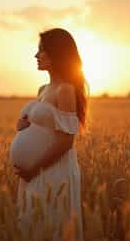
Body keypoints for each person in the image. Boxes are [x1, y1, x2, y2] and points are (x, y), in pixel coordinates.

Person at [14, 28, 89, 241]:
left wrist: (34, 169)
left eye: (41, 50)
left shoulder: (65, 90)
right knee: (34, 226)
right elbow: (42, 126)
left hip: (53, 171)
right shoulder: (43, 89)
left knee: (53, 227)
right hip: (35, 171)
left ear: (57, 54)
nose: (36, 55)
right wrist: (23, 126)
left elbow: (67, 141)